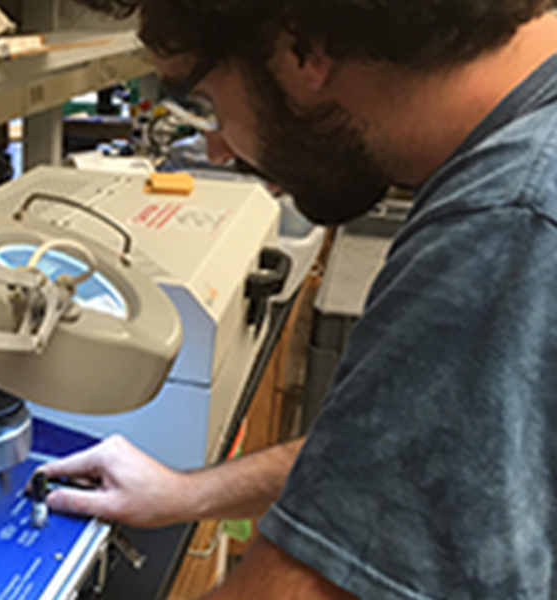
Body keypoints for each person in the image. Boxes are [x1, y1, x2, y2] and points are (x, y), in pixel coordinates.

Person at [41, 1, 557, 598]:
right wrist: (189, 492)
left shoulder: (507, 223)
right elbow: (402, 459)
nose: (215, 152)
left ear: (303, 47)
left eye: (203, 104)